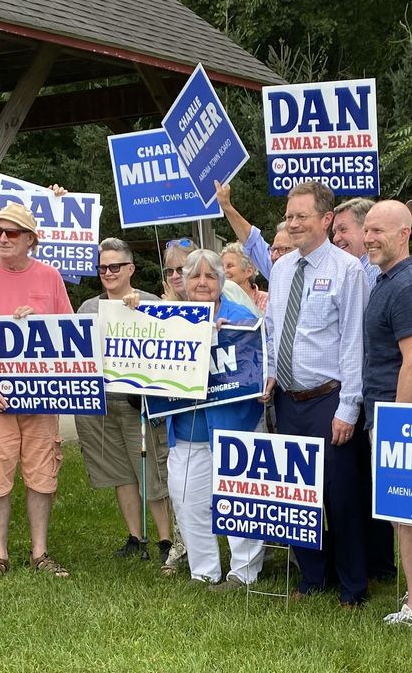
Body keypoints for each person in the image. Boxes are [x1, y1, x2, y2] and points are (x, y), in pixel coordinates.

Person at [126, 249, 265, 590]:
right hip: (188, 431)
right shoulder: (168, 318)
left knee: (239, 500)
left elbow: (258, 365)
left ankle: (244, 572)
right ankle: (203, 571)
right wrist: (131, 310)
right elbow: (134, 334)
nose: (203, 282)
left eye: (211, 276)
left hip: (235, 426)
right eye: (195, 276)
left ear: (221, 281)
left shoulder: (241, 316)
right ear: (184, 282)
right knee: (188, 502)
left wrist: (228, 337)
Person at [263, 180, 370, 606]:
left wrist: (349, 407)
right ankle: (312, 577)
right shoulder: (281, 268)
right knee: (296, 495)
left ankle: (352, 586)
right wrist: (270, 373)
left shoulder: (348, 270)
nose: (292, 224)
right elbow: (273, 329)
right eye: (289, 216)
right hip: (288, 400)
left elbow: (354, 342)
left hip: (330, 399)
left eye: (301, 216)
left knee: (340, 497)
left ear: (326, 219)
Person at [0, 203, 74, 582]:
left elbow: (70, 333)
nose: (3, 239)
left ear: (30, 240)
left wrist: (41, 325)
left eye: (11, 233)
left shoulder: (50, 278)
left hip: (41, 395)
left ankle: (40, 552)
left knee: (42, 473)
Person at [357, 201, 412, 625]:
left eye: (378, 231)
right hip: (385, 413)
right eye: (367, 230)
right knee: (400, 513)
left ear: (404, 234)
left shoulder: (408, 285)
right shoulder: (386, 279)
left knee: (408, 514)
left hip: (402, 418)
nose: (369, 238)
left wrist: (398, 426)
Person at [76, 238, 174, 565]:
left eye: (115, 266)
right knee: (120, 473)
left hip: (139, 404)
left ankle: (166, 539)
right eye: (102, 267)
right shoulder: (88, 308)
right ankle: (136, 537)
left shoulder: (150, 303)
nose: (108, 272)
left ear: (130, 268)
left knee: (152, 474)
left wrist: (142, 313)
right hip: (101, 404)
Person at [332, 197, 381, 289]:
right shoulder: (345, 272)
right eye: (334, 232)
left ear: (366, 230)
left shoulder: (376, 272)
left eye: (343, 229)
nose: (335, 239)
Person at [221, 242, 269, 315]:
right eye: (221, 267)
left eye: (230, 266)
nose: (223, 271)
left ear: (249, 271)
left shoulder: (267, 300)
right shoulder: (218, 300)